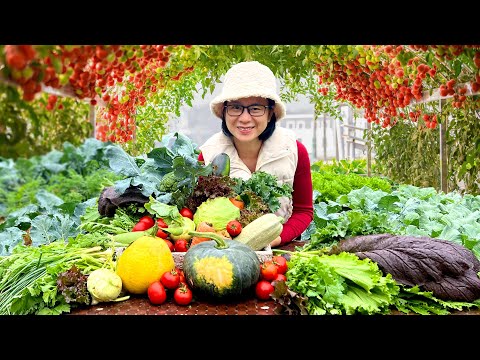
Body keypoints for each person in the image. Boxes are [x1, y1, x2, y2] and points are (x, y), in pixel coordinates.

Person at [198, 61, 314, 248]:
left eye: (256, 108)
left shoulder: (294, 150)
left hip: (281, 251)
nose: (245, 118)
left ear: (270, 114)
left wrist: (276, 238)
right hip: (224, 251)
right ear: (225, 112)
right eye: (236, 107)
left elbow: (303, 211)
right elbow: (196, 211)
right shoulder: (208, 154)